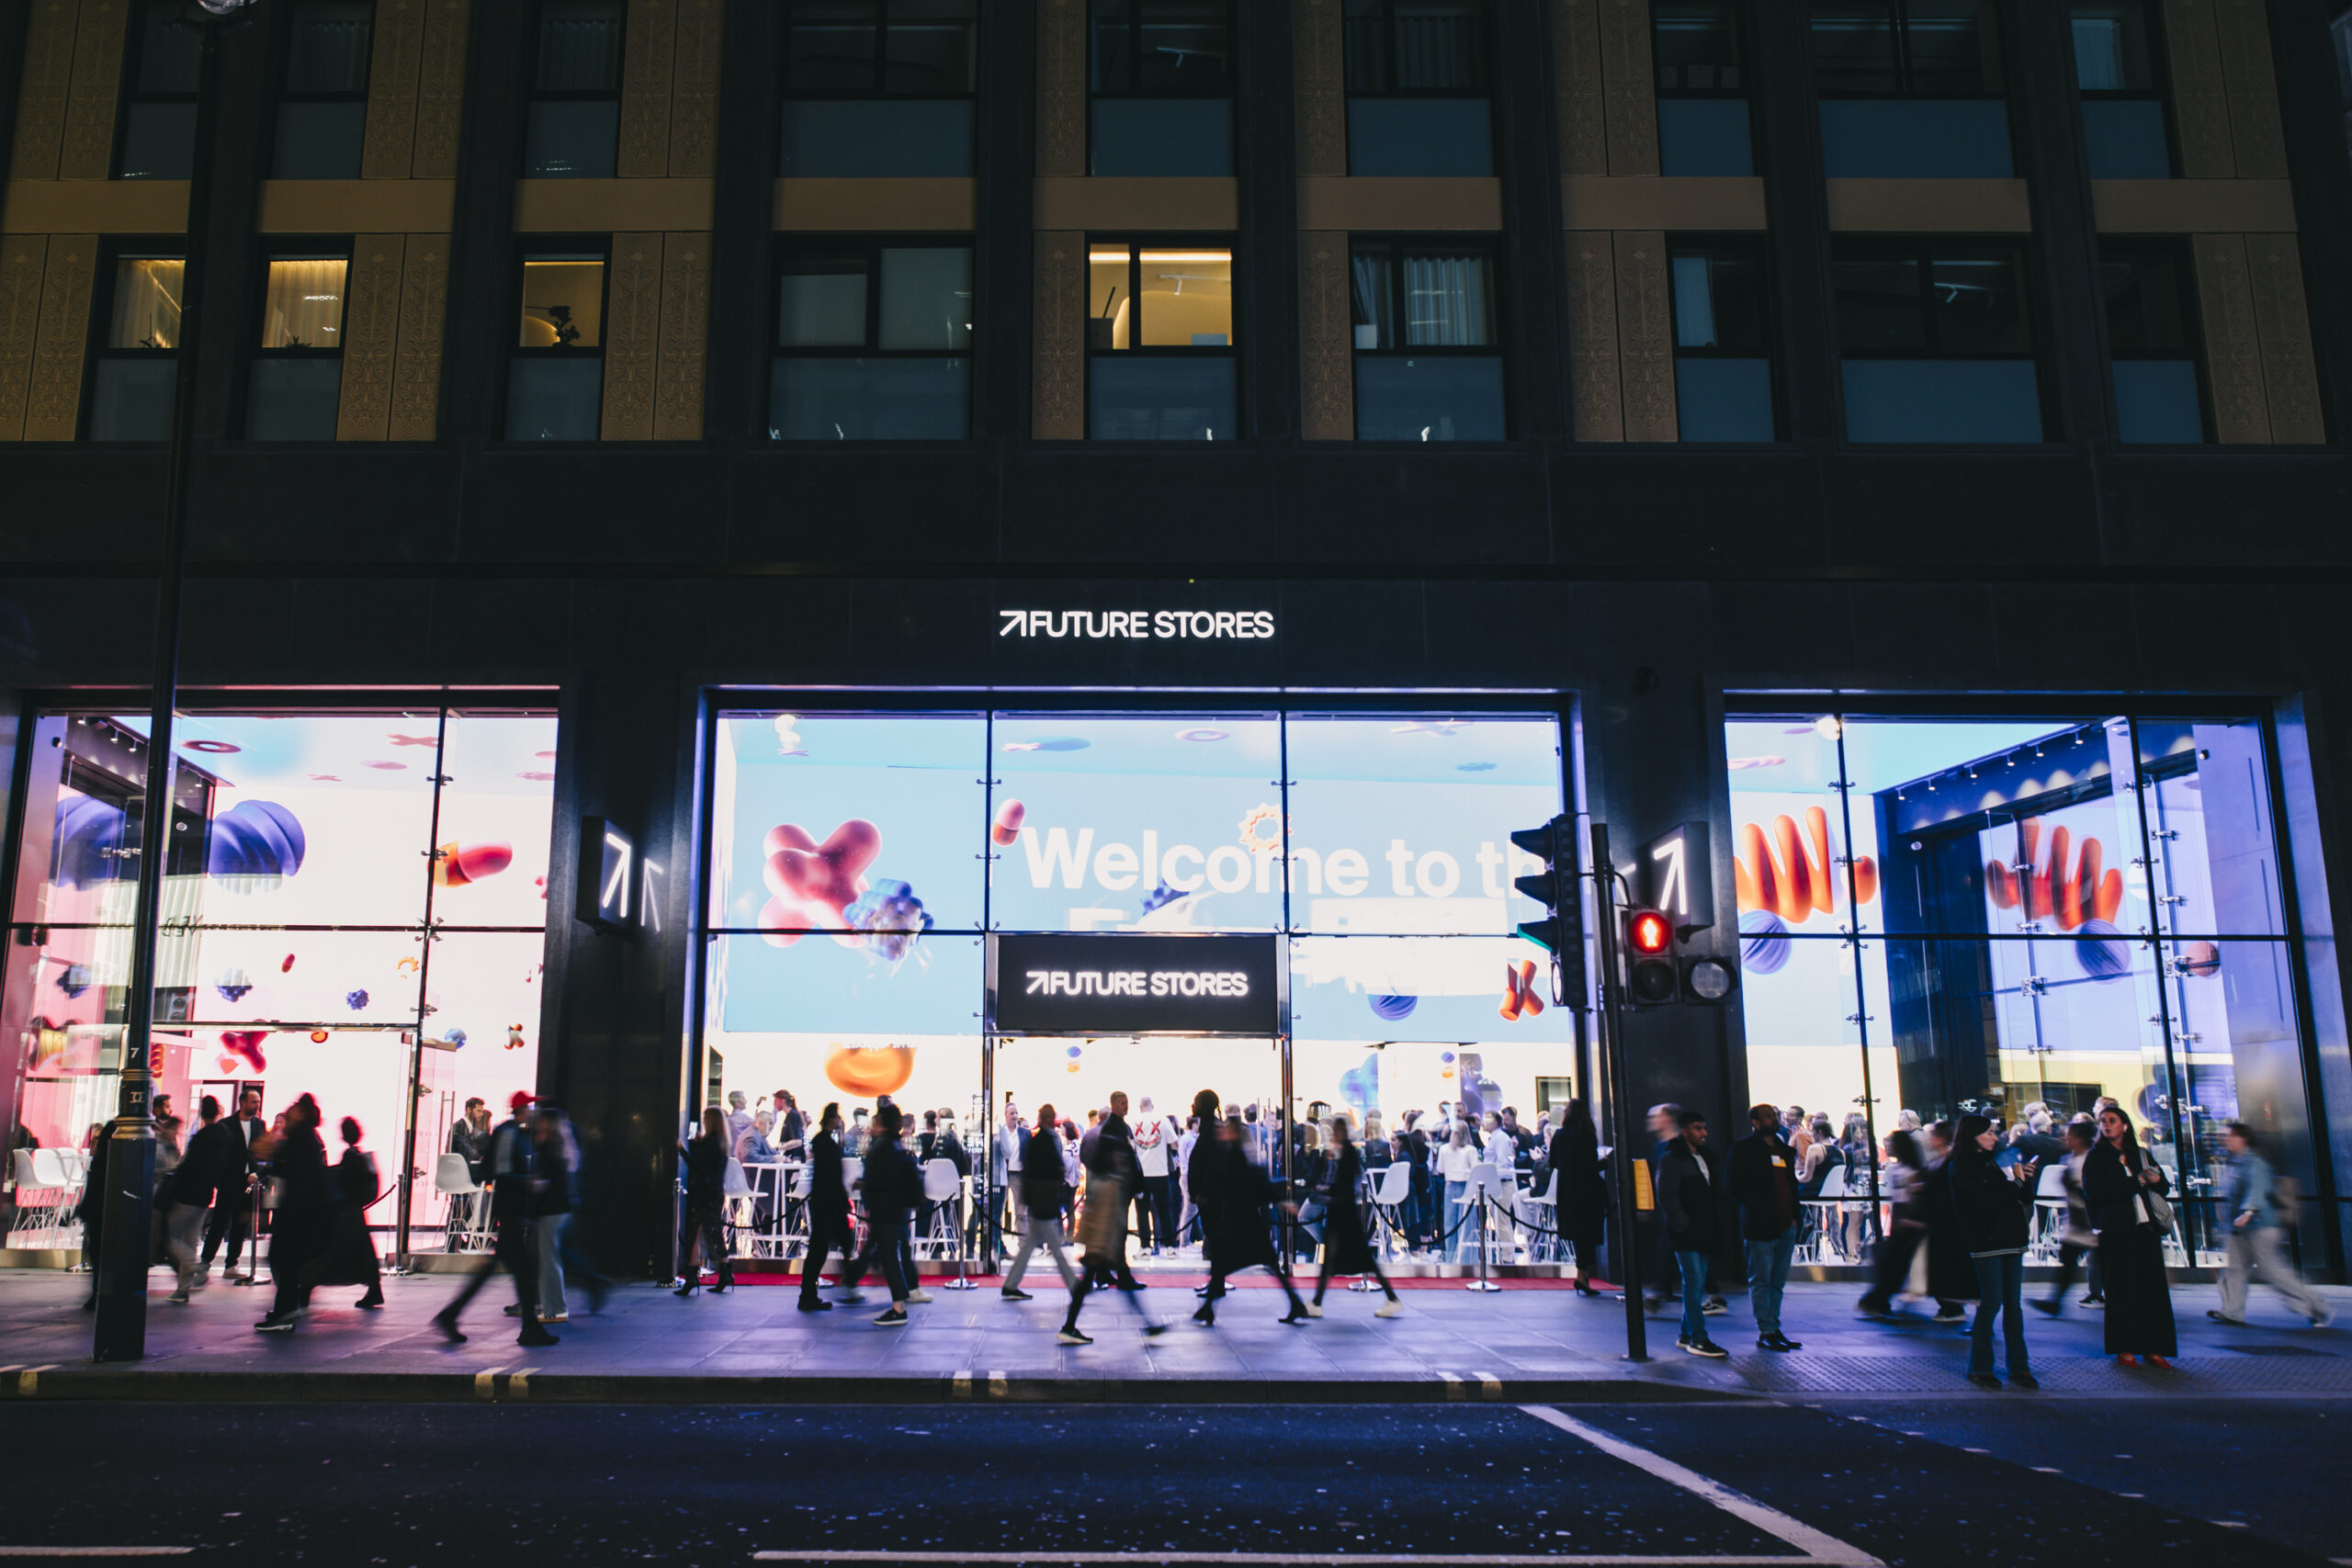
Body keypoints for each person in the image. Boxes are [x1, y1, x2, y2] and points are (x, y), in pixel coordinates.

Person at [435, 1092, 554, 1346]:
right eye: (530, 1107)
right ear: (522, 1110)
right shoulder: (509, 1134)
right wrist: (529, 1184)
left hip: (513, 1209)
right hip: (510, 1210)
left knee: (512, 1270)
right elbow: (500, 1172)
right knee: (522, 1270)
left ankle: (452, 1314)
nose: (533, 1112)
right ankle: (529, 1327)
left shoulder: (517, 1134)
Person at [1190, 1095, 1311, 1325]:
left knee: (1224, 1266)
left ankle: (1209, 1309)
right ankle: (1295, 1304)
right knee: (1260, 1265)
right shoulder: (1233, 1156)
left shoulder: (1232, 1158)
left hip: (1240, 1224)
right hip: (1244, 1224)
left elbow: (1252, 1182)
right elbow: (1256, 1182)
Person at [2211, 1122, 2331, 1329]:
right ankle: (2232, 1312)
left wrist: (2248, 1212)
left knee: (2271, 1270)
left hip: (2260, 1226)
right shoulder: (2235, 1163)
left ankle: (2318, 1307)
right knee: (2235, 1270)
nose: (2224, 1139)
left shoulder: (2254, 1163)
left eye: (2228, 1136)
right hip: (2240, 1228)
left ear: (2242, 1138)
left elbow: (2258, 1189)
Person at [1062, 1092, 1161, 1345]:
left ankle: (1146, 1324)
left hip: (1104, 1233)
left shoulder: (1107, 1163)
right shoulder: (1109, 1161)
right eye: (1122, 1103)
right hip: (1103, 1234)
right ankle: (1070, 1326)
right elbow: (1102, 1210)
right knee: (1090, 1280)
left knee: (1100, 1278)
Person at [2084, 1106, 2177, 1367]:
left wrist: (2154, 1179)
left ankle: (2154, 1348)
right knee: (2121, 1291)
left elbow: (2164, 1187)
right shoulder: (2097, 1157)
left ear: (2125, 1125)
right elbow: (2095, 1193)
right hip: (2117, 1232)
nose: (2106, 1125)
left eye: (2112, 1121)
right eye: (2103, 1122)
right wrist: (2136, 1182)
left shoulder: (2140, 1153)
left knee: (2153, 1291)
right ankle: (2125, 1348)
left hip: (2146, 1229)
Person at [1949, 1113, 2036, 1389]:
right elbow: (1989, 1200)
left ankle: (2016, 1366)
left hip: (2006, 1238)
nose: (1994, 1137)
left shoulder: (1989, 1163)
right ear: (1972, 1135)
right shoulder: (1963, 1166)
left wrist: (2021, 1181)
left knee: (2010, 1303)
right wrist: (2018, 1183)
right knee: (1995, 1301)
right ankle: (1983, 1366)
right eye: (1988, 1133)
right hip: (1988, 1240)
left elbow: (2015, 1197)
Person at [1306, 1119, 1401, 1318]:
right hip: (1343, 1214)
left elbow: (1342, 1182)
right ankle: (1391, 1298)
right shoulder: (1344, 1152)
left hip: (1343, 1216)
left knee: (1344, 1261)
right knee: (1358, 1260)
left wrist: (1325, 1190)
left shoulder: (1346, 1154)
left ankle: (1317, 1303)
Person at [255, 1095, 334, 1332]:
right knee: (287, 1261)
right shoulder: (308, 1138)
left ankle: (285, 1312)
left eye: (288, 1116)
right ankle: (288, 1308)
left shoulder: (299, 1139)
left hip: (295, 1211)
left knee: (283, 1260)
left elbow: (281, 1168)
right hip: (302, 1210)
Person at [1729, 1103, 1803, 1352]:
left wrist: (1794, 1217)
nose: (1775, 1119)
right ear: (1756, 1122)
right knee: (1761, 1279)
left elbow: (1791, 1185)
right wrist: (1759, 1208)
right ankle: (1766, 1329)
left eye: (1775, 1115)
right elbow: (1734, 1186)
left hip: (1786, 1224)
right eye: (1769, 1116)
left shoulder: (1784, 1150)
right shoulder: (1744, 1149)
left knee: (1777, 1281)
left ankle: (1773, 1325)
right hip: (1761, 1226)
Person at [1656, 1109, 1727, 1359]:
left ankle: (1687, 1333)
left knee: (1695, 1281)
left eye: (1704, 1128)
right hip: (1686, 1232)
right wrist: (1682, 1223)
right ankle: (1698, 1337)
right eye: (1698, 1128)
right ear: (1685, 1130)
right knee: (1693, 1281)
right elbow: (1667, 1195)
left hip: (1703, 1229)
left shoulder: (1704, 1157)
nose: (1704, 1133)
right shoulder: (1673, 1159)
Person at [840, 1103, 920, 1325]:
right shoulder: (895, 1145)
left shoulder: (882, 1147)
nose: (872, 1125)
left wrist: (863, 1184)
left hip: (885, 1211)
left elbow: (879, 1179)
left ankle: (899, 1307)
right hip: (894, 1210)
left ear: (882, 1123)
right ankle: (895, 1300)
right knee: (885, 1254)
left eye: (876, 1121)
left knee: (889, 1257)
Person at [531, 1103, 605, 1322]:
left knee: (550, 1261)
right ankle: (555, 1305)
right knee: (555, 1258)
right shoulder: (565, 1146)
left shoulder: (549, 1147)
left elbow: (546, 1182)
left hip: (551, 1210)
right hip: (562, 1209)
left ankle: (554, 1308)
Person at [1002, 1101, 1080, 1302]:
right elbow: (1045, 1171)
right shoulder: (1042, 1141)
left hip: (1040, 1201)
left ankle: (1011, 1285)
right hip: (1044, 1202)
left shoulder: (1040, 1139)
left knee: (1031, 1246)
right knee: (1054, 1247)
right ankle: (1073, 1286)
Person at [308, 1114, 386, 1312]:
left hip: (346, 1214)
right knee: (363, 1252)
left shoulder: (349, 1157)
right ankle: (374, 1289)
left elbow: (345, 1181)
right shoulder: (359, 1156)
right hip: (356, 1214)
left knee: (329, 1252)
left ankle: (306, 1287)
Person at [2031, 1121, 2101, 1315]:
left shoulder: (2086, 1161)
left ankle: (2058, 1301)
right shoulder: (2073, 1159)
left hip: (2087, 1223)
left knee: (2083, 1263)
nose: (2065, 1139)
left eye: (2069, 1136)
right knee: (2072, 1262)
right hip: (2079, 1224)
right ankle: (2056, 1301)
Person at [164, 1097, 230, 1304]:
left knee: (172, 1237)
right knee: (191, 1240)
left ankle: (196, 1268)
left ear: (202, 1113)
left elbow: (189, 1166)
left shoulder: (201, 1138)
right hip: (206, 1194)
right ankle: (183, 1288)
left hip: (188, 1193)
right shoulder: (225, 1136)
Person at [1858, 1131, 1928, 1318]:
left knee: (1894, 1266)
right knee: (1896, 1266)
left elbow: (1907, 1199)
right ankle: (1879, 1300)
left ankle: (1877, 1301)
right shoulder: (1906, 1170)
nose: (1888, 1147)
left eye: (1891, 1143)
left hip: (1907, 1225)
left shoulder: (1904, 1171)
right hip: (1906, 1224)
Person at [200, 1089, 268, 1277]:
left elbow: (261, 1152)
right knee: (220, 1222)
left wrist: (258, 1172)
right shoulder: (226, 1125)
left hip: (249, 1181)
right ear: (243, 1103)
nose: (257, 1106)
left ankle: (231, 1265)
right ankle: (205, 1262)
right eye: (254, 1102)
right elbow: (219, 1154)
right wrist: (219, 1180)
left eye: (258, 1102)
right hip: (229, 1180)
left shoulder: (259, 1125)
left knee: (240, 1224)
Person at [795, 1102, 854, 1311]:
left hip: (824, 1202)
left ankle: (810, 1292)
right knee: (831, 1246)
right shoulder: (827, 1143)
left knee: (820, 1249)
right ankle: (846, 1286)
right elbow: (831, 1176)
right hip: (829, 1203)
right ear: (831, 1119)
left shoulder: (822, 1142)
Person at [673, 1105, 734, 1297]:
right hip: (715, 1193)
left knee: (695, 1235)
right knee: (712, 1235)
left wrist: (682, 1149)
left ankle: (692, 1279)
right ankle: (725, 1275)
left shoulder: (709, 1143)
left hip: (703, 1194)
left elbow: (696, 1164)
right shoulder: (722, 1142)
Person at [1918, 1121, 1976, 1325]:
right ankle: (1950, 1305)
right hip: (1945, 1224)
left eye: (1933, 1135)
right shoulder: (1946, 1160)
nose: (1929, 1139)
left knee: (1946, 1265)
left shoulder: (1948, 1162)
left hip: (1946, 1224)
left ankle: (1951, 1306)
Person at [1133, 1098, 1172, 1256]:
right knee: (1164, 1210)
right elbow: (1174, 1143)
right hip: (1160, 1171)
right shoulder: (1163, 1120)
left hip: (1141, 1173)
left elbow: (1131, 1147)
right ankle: (1169, 1246)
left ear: (1139, 1107)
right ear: (1152, 1106)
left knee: (1141, 1212)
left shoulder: (1132, 1122)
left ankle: (1144, 1246)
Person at [1438, 1122, 1478, 1264]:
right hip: (1466, 1187)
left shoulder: (1443, 1149)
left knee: (1449, 1223)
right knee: (1466, 1224)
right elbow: (1476, 1170)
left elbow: (1440, 1169)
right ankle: (1465, 1260)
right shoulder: (1471, 1150)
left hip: (1449, 1186)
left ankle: (1450, 1258)